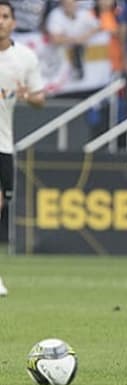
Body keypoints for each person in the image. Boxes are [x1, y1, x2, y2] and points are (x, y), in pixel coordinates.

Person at [0, 0, 46, 297]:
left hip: (3, 143)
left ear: (14, 22)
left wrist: (29, 96)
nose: (0, 21)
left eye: (4, 16)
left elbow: (40, 98)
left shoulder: (24, 58)